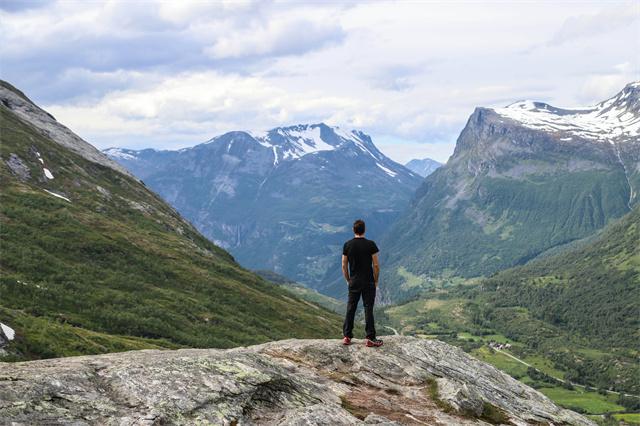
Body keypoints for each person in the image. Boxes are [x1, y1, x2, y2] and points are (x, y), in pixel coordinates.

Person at [341, 219, 383, 347]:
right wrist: (376, 280)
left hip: (354, 281)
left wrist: (348, 280)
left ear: (353, 230)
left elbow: (344, 264)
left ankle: (347, 336)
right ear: (364, 230)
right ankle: (370, 338)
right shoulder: (371, 245)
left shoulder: (347, 245)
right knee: (368, 308)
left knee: (351, 308)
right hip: (368, 281)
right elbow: (376, 265)